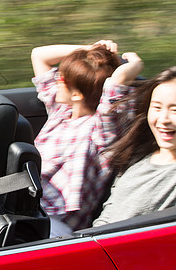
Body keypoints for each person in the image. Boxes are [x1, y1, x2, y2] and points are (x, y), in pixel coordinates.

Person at [30, 40, 144, 232]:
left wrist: (132, 65)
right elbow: (39, 55)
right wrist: (90, 50)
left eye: (62, 77)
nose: (56, 78)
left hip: (55, 224)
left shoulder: (101, 133)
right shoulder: (61, 110)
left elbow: (116, 87)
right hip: (29, 205)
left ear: (76, 94)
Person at [93, 66, 176, 227]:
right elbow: (108, 215)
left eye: (174, 110)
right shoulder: (136, 156)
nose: (163, 119)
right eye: (157, 107)